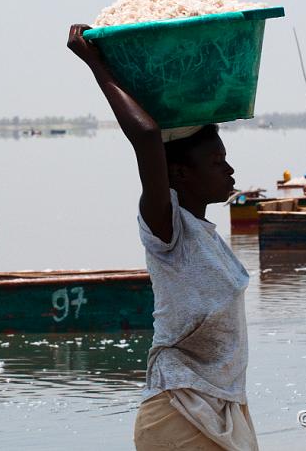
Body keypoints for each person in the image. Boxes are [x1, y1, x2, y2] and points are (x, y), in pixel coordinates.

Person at [67, 24, 258, 451]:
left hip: (223, 406)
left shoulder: (208, 237)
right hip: (179, 411)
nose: (228, 170)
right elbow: (149, 137)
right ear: (180, 174)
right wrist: (96, 63)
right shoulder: (167, 230)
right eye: (216, 161)